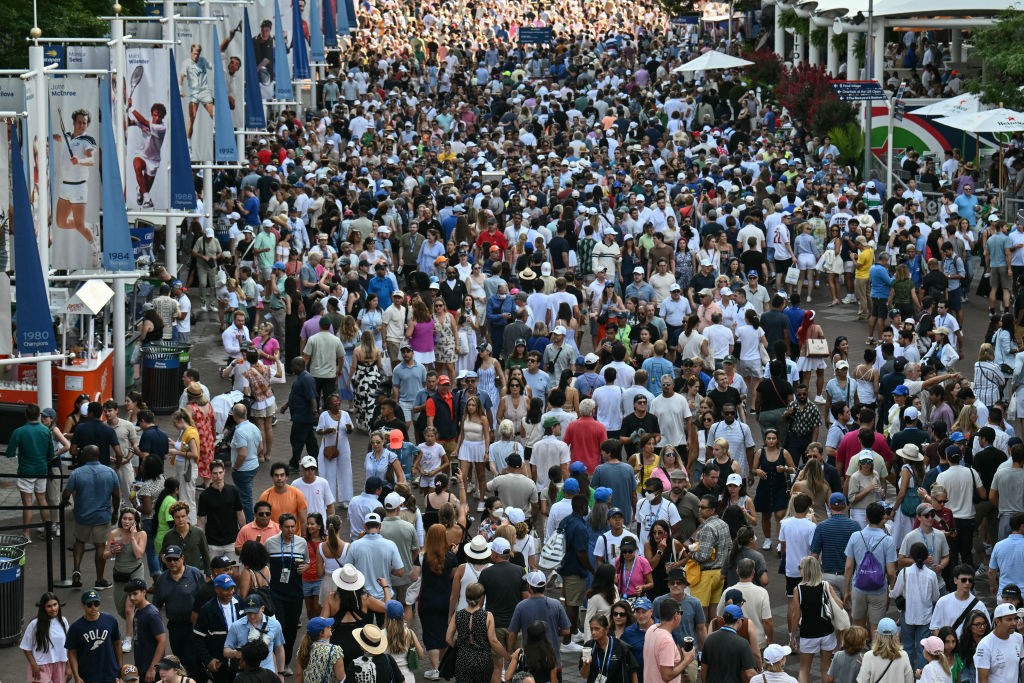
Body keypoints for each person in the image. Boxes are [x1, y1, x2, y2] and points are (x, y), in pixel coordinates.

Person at [62, 444, 120, 588]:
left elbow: (67, 493)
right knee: (100, 545)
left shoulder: (77, 472)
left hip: (82, 515)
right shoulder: (110, 472)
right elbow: (116, 496)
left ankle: (76, 569)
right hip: (102, 515)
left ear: (86, 456)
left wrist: (64, 502)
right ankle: (99, 579)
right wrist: (115, 512)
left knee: (79, 542)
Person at [5, 403, 56, 539]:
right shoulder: (45, 431)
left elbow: (9, 452)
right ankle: (47, 531)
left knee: (27, 503)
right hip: (41, 470)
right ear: (39, 415)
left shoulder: (19, 431)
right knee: (42, 500)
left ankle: (26, 534)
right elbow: (50, 454)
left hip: (25, 471)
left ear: (26, 415)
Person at [791, 556, 838, 683]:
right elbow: (839, 605)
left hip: (808, 633)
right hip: (827, 631)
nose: (799, 570)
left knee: (804, 669)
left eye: (800, 568)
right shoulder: (825, 586)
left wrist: (792, 636)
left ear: (806, 570)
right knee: (826, 668)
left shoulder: (798, 589)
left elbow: (796, 616)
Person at [193, 574, 244, 683]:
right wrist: (208, 659)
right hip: (220, 664)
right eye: (226, 589)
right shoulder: (207, 609)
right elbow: (198, 637)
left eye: (232, 588)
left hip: (240, 662)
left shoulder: (239, 603)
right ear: (217, 589)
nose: (231, 592)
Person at [67, 590, 123, 683]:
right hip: (88, 676)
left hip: (110, 673)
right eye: (89, 604)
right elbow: (72, 653)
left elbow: (117, 643)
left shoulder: (110, 620)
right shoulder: (75, 628)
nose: (93, 607)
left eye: (96, 603)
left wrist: (120, 669)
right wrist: (76, 676)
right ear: (83, 605)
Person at [223, 595, 286, 676]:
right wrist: (235, 653)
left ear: (262, 608)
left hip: (267, 675)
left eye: (255, 612)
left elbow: (279, 649)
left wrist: (281, 674)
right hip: (245, 676)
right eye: (249, 613)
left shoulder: (275, 625)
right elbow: (225, 651)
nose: (252, 616)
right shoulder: (236, 626)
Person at [198, 460, 245, 563]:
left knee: (235, 574)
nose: (218, 476)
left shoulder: (233, 491)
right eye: (215, 473)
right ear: (210, 474)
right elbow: (201, 520)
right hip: (212, 542)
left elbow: (239, 513)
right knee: (214, 574)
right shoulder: (204, 496)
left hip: (232, 540)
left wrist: (244, 532)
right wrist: (201, 541)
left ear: (224, 472)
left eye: (220, 472)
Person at [699, 604, 757, 683]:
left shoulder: (709, 639)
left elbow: (704, 668)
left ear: (724, 619)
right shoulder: (743, 643)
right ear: (739, 620)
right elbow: (750, 673)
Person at [20, 592, 69, 683]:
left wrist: (69, 667)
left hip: (59, 664)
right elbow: (26, 647)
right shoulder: (35, 624)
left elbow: (68, 645)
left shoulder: (63, 621)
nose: (53, 609)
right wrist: (33, 665)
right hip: (41, 665)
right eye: (49, 606)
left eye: (55, 604)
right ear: (43, 608)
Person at [973, 602, 1024, 683]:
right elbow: (982, 679)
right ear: (997, 621)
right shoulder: (985, 645)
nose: (1014, 623)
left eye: (1015, 618)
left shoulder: (1018, 638)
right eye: (1009, 619)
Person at [855, 618, 914, 683]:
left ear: (877, 635)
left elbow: (863, 681)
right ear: (896, 635)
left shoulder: (868, 656)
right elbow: (909, 680)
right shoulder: (903, 655)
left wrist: (865, 664)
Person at [294, 617, 346, 683]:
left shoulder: (302, 650)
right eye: (327, 626)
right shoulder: (335, 651)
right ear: (321, 633)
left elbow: (299, 675)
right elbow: (341, 678)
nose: (330, 627)